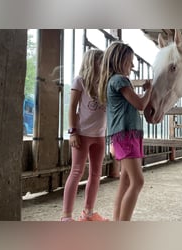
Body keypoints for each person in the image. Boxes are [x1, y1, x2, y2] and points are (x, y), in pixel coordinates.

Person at [98, 41, 152, 221]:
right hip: (126, 134)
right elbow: (140, 104)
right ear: (120, 60)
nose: (133, 65)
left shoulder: (113, 81)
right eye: (130, 61)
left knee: (126, 181)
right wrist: (149, 90)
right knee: (138, 181)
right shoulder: (119, 80)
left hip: (127, 134)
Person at [61, 49, 108, 222]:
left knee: (96, 173)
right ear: (93, 62)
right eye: (101, 61)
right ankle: (66, 216)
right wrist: (72, 132)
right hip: (81, 134)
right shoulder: (79, 80)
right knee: (76, 171)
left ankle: (88, 213)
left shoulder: (105, 82)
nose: (104, 64)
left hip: (100, 135)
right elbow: (72, 107)